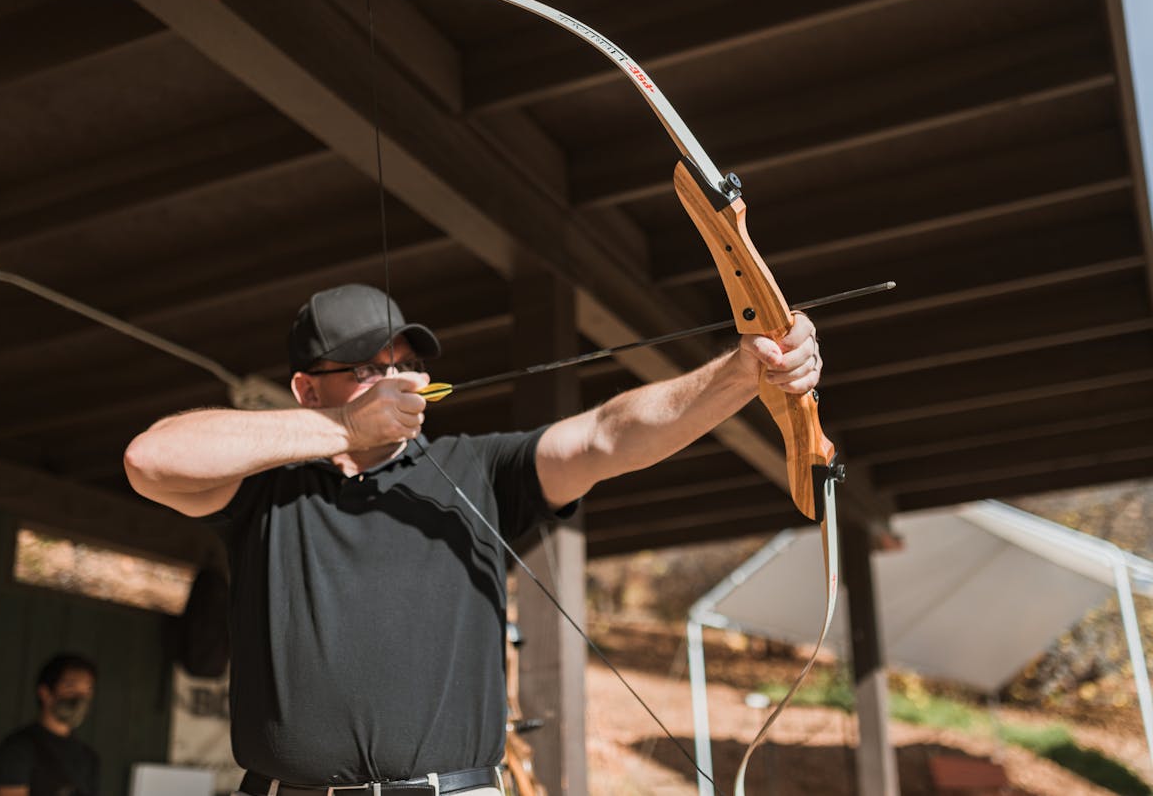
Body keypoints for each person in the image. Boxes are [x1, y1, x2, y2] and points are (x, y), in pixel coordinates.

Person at [123, 283, 821, 795]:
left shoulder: (477, 468)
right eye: (367, 367)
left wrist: (740, 373)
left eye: (403, 362)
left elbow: (611, 434)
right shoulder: (268, 487)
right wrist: (345, 430)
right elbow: (148, 460)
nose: (396, 380)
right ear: (307, 389)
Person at [0, 652, 100, 796]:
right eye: (70, 687)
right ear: (45, 693)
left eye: (87, 689)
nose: (80, 698)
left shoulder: (89, 758)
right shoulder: (18, 748)